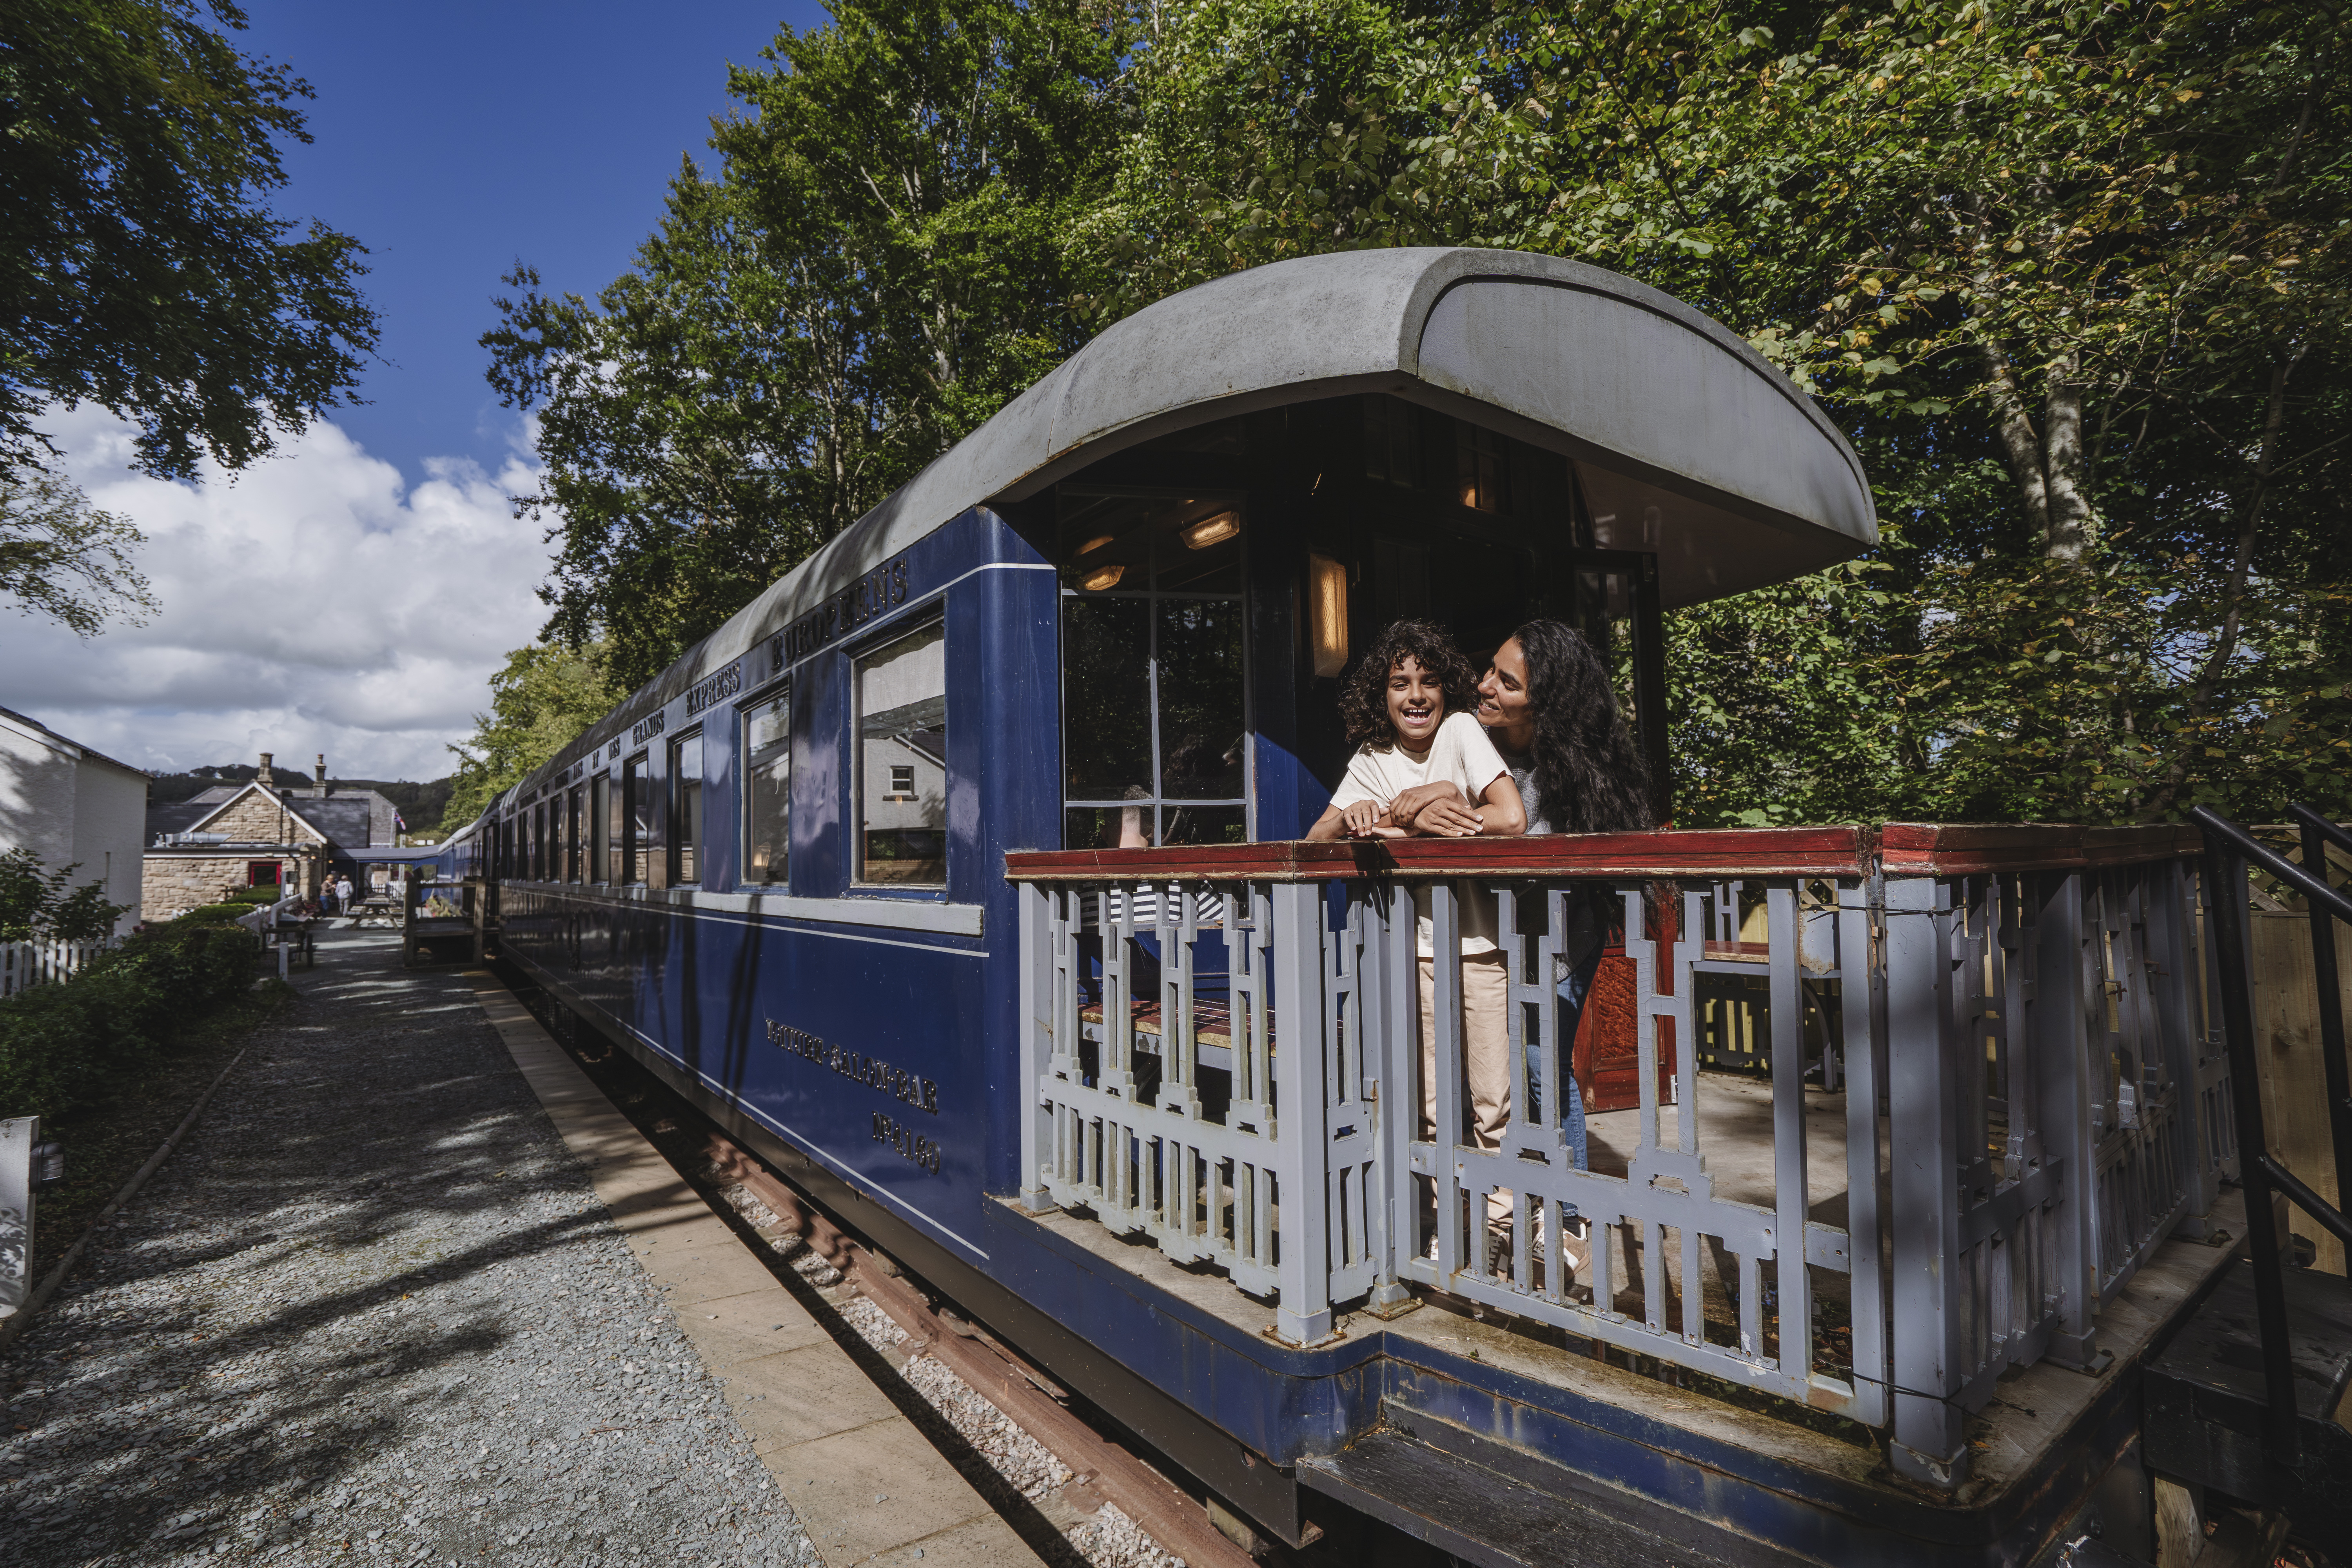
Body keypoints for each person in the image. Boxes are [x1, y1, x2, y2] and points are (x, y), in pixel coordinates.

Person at [1307, 620, 1525, 1249]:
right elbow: (1317, 839)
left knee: (1494, 1102)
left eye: (1429, 681)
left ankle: (1499, 1226)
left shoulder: (1461, 732)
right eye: (1400, 683)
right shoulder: (1372, 760)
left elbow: (1510, 818)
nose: (1416, 696)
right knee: (1432, 1104)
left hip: (1480, 948)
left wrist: (1438, 796)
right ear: (1381, 694)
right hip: (1414, 952)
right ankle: (1449, 1228)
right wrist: (1354, 816)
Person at [1474, 620, 1656, 1251]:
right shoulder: (1478, 747)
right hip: (1487, 941)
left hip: (1555, 943)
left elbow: (1538, 855)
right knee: (1498, 1073)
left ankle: (1569, 1212)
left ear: (1545, 701)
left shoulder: (1574, 770)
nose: (1485, 685)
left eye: (1507, 681)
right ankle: (1514, 1200)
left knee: (1538, 1069)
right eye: (1491, 670)